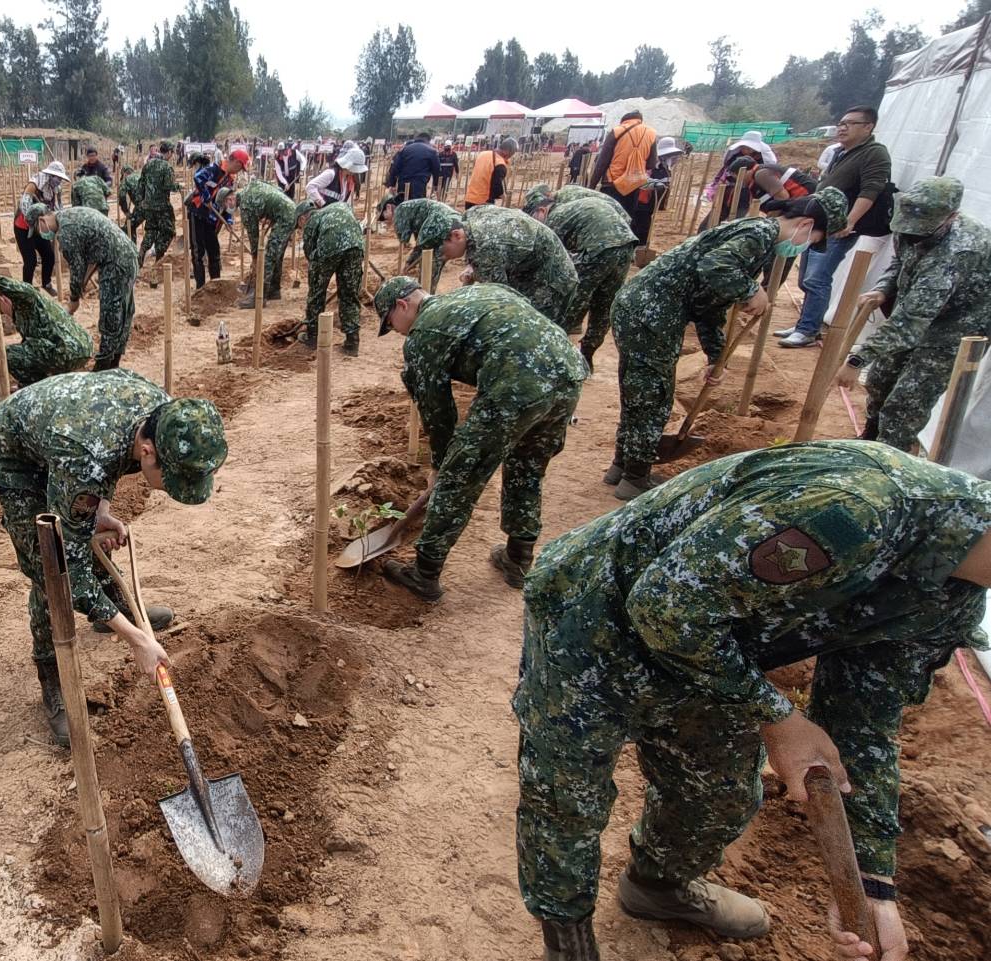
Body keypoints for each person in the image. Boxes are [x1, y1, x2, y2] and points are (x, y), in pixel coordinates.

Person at [515, 439, 991, 961]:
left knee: (718, 795)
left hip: (720, 650)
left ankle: (657, 887)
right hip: (596, 620)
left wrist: (873, 884)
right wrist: (777, 715)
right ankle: (567, 936)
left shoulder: (953, 599)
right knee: (567, 796)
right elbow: (665, 608)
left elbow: (863, 720)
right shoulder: (857, 508)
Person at [0, 368, 226, 745]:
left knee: (82, 528)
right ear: (148, 452)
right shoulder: (86, 455)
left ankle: (110, 613)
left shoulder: (164, 417)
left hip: (67, 435)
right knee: (49, 567)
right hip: (14, 454)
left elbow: (105, 466)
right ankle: (53, 681)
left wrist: (100, 510)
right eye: (172, 479)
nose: (170, 490)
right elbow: (68, 568)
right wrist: (136, 642)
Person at [606, 189, 846, 499]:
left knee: (638, 389)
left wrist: (715, 356)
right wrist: (751, 291)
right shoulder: (760, 232)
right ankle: (635, 478)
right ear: (805, 223)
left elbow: (709, 306)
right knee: (653, 396)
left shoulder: (759, 241)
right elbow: (715, 266)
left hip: (640, 310)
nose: (806, 247)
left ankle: (621, 466)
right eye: (814, 238)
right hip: (652, 314)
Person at [372, 279, 585, 603]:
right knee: (526, 466)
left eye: (390, 323)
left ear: (402, 305)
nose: (396, 331)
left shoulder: (425, 333)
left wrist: (443, 465)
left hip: (517, 386)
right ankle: (518, 558)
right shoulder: (477, 293)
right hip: (568, 374)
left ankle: (424, 573)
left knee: (461, 475)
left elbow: (438, 411)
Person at [836, 177, 991, 453]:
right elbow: (900, 262)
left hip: (956, 329)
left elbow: (911, 321)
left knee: (906, 403)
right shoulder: (910, 224)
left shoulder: (959, 251)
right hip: (917, 313)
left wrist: (857, 359)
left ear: (950, 217)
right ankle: (871, 438)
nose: (910, 234)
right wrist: (884, 289)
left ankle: (886, 461)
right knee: (879, 380)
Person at [779, 105, 895, 348]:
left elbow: (870, 190)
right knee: (805, 277)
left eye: (850, 123)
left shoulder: (874, 153)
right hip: (819, 223)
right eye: (841, 122)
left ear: (868, 127)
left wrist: (849, 220)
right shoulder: (840, 152)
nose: (842, 127)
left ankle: (808, 330)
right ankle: (806, 323)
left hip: (838, 227)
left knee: (817, 278)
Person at [398, 198, 578, 329]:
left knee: (526, 329)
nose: (443, 257)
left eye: (442, 251)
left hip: (552, 281)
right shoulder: (469, 218)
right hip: (528, 268)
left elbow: (498, 300)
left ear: (456, 236)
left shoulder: (486, 250)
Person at [522, 186, 639, 357]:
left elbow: (554, 263)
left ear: (542, 209)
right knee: (604, 303)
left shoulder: (555, 218)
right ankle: (588, 352)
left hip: (598, 248)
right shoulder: (573, 205)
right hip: (626, 243)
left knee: (571, 299)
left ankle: (551, 352)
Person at [28, 203, 138, 371]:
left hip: (115, 263)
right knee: (123, 312)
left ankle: (102, 369)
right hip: (127, 255)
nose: (41, 235)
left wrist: (73, 299)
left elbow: (77, 269)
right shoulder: (71, 214)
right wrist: (82, 287)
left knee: (111, 314)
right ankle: (114, 363)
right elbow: (93, 255)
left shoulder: (66, 232)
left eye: (37, 230)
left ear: (42, 219)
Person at [0, 275, 92, 387]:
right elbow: (31, 345)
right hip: (81, 350)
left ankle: (35, 386)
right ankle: (44, 383)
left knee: (7, 354)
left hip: (67, 351)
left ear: (4, 300)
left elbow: (23, 289)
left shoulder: (29, 301)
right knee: (28, 351)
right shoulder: (22, 314)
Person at [297, 199, 365, 355]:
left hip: (330, 246)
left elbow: (310, 255)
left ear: (302, 219)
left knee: (317, 292)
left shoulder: (311, 221)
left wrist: (317, 279)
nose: (300, 229)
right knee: (349, 293)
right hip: (356, 245)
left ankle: (313, 336)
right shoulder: (338, 206)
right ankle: (352, 341)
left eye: (299, 226)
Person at [188, 148, 248, 289]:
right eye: (239, 167)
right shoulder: (213, 169)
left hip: (212, 217)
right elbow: (198, 178)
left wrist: (228, 219)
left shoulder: (230, 180)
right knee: (198, 252)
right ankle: (200, 288)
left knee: (214, 250)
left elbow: (228, 201)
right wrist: (206, 196)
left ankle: (216, 285)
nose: (238, 171)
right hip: (197, 212)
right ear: (234, 161)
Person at [235, 180, 297, 309]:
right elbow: (277, 190)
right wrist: (270, 213)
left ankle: (259, 296)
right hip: (290, 209)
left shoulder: (245, 206)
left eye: (225, 204)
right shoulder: (250, 187)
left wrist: (256, 256)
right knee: (277, 254)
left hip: (284, 217)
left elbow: (253, 235)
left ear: (230, 199)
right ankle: (274, 290)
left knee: (268, 257)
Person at [589, 110, 658, 227]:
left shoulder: (617, 131)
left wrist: (592, 185)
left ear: (624, 120)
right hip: (633, 183)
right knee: (626, 219)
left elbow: (602, 162)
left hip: (612, 182)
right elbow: (651, 163)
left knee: (607, 217)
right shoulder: (651, 133)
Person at [15, 160, 71, 295]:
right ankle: (26, 290)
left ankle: (46, 283)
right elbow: (25, 203)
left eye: (61, 179)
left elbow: (58, 207)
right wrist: (32, 220)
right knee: (31, 261)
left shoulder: (56, 189)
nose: (59, 181)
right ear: (50, 175)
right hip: (24, 227)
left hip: (41, 228)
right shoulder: (35, 183)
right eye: (57, 178)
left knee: (49, 256)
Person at [134, 142, 178, 280]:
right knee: (168, 232)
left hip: (148, 206)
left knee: (151, 230)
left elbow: (140, 184)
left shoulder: (148, 164)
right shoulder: (167, 167)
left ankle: (142, 252)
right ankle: (159, 259)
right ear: (169, 152)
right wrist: (178, 186)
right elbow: (168, 186)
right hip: (162, 207)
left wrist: (141, 202)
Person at [387, 132, 441, 207]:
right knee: (416, 209)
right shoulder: (432, 151)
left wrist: (392, 183)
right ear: (428, 140)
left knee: (402, 207)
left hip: (403, 184)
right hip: (419, 185)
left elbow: (395, 167)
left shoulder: (404, 150)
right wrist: (435, 184)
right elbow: (436, 170)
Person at [464, 138, 517, 209]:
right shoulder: (499, 164)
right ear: (507, 151)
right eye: (512, 154)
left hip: (470, 198)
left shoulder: (482, 154)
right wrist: (501, 194)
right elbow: (496, 185)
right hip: (484, 202)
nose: (510, 156)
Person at [116, 169, 143, 240]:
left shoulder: (126, 180)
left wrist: (126, 211)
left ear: (124, 174)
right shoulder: (141, 175)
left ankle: (132, 248)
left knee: (129, 228)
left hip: (142, 206)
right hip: (156, 204)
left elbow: (121, 196)